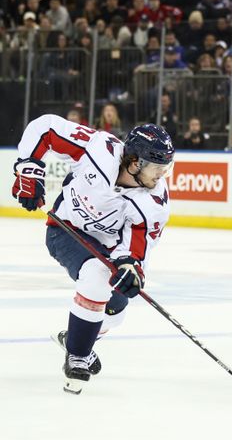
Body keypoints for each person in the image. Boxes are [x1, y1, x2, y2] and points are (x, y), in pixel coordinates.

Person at [11, 116, 174, 394]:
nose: (162, 175)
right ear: (135, 162)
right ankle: (77, 355)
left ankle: (76, 337)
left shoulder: (154, 203)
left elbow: (135, 250)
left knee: (116, 311)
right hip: (65, 230)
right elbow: (46, 128)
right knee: (96, 276)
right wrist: (29, 170)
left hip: (109, 247)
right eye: (157, 167)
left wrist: (130, 268)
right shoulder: (98, 149)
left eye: (165, 168)